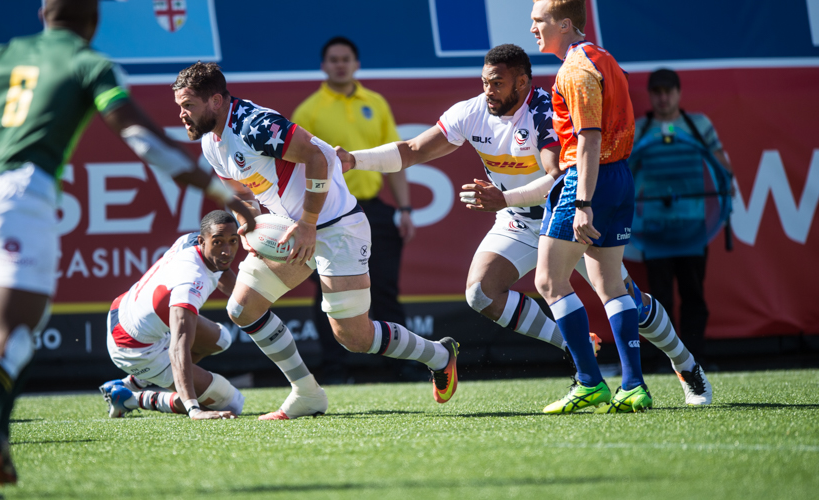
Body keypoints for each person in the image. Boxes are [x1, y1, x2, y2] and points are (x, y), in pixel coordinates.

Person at [0, 1, 253, 496]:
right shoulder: (88, 63)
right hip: (20, 198)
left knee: (18, 333)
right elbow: (143, 140)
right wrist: (225, 194)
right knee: (12, 338)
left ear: (42, 12)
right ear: (95, 18)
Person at [335, 44, 712, 406]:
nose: (488, 91)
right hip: (516, 220)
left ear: (522, 82)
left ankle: (685, 362)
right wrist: (354, 160)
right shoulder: (471, 111)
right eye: (484, 81)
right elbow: (414, 149)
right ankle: (574, 345)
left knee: (623, 297)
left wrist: (504, 199)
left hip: (562, 215)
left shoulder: (545, 111)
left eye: (497, 82)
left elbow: (558, 177)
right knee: (481, 292)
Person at [172, 62, 459, 420]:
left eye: (188, 106)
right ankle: (306, 392)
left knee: (355, 338)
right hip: (291, 228)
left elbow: (319, 156)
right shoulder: (211, 142)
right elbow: (241, 188)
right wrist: (248, 222)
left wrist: (308, 223)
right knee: (242, 308)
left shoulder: (254, 125)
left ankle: (440, 355)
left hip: (337, 227)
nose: (182, 115)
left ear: (215, 100)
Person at [528, 0, 649, 413]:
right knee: (611, 284)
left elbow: (589, 139)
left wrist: (581, 202)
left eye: (538, 21)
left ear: (564, 24)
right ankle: (633, 385)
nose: (532, 30)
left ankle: (588, 382)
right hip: (619, 177)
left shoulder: (574, 69)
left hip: (589, 180)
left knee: (548, 281)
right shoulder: (603, 58)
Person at [291, 37, 416, 383]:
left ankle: (402, 366)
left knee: (386, 289)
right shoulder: (308, 110)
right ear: (324, 66)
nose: (340, 65)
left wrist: (404, 208)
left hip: (375, 210)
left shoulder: (375, 103)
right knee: (328, 292)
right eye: (333, 60)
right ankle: (334, 370)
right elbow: (298, 169)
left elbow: (397, 158)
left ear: (356, 64)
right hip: (329, 214)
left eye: (346, 59)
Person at [97, 211, 245, 420]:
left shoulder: (193, 240)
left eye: (233, 241)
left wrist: (248, 300)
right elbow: (178, 347)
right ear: (203, 241)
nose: (227, 251)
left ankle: (133, 382)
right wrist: (194, 409)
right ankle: (130, 399)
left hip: (128, 309)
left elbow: (222, 268)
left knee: (222, 339)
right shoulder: (191, 281)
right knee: (232, 402)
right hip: (132, 347)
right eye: (219, 243)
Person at [634, 68, 733, 369]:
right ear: (651, 95)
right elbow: (624, 171)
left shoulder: (698, 124)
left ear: (678, 93)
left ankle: (695, 360)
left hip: (693, 227)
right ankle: (665, 362)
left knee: (693, 295)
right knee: (658, 300)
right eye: (657, 92)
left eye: (668, 91)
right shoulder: (640, 127)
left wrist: (727, 182)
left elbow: (722, 167)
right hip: (654, 229)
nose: (663, 98)